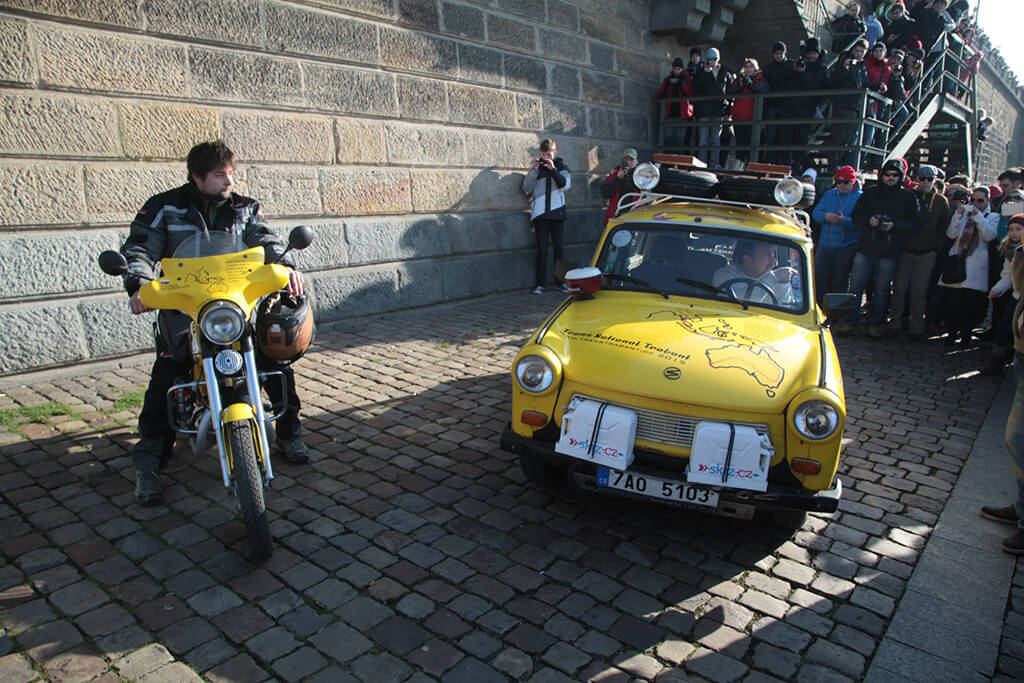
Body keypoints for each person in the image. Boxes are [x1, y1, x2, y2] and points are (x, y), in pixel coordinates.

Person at [121, 140, 309, 506]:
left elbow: (265, 240)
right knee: (167, 374)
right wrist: (139, 283)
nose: (229, 181)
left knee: (273, 361)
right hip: (184, 308)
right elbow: (140, 247)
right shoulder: (164, 207)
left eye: (231, 174)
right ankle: (149, 463)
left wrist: (285, 267)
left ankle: (290, 433)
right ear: (197, 176)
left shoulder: (244, 208)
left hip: (232, 306)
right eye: (220, 175)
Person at [847, 158, 922, 336]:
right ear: (882, 175)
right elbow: (856, 216)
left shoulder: (908, 196)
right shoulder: (870, 193)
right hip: (866, 247)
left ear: (900, 177)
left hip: (889, 250)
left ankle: (876, 322)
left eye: (895, 175)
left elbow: (916, 223)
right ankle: (849, 320)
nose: (891, 178)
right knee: (855, 285)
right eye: (887, 174)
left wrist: (894, 224)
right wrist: (869, 220)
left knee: (882, 289)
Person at [889, 165, 949, 339]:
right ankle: (894, 323)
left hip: (926, 253)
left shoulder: (940, 201)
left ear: (935, 180)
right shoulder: (908, 196)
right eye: (922, 178)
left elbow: (943, 227)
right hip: (905, 251)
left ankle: (916, 327)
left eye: (930, 179)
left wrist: (935, 249)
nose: (926, 182)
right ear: (917, 179)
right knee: (899, 290)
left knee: (919, 292)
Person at [938, 185, 998, 346]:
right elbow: (951, 234)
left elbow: (989, 235)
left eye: (980, 201)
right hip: (958, 262)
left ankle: (965, 337)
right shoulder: (963, 213)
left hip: (976, 267)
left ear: (987, 200)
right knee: (953, 304)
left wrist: (978, 216)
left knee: (970, 306)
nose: (976, 203)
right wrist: (958, 217)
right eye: (973, 200)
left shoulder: (993, 216)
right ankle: (951, 334)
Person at [522, 138, 571, 294]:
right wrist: (533, 171)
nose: (546, 158)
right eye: (543, 155)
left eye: (549, 154)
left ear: (555, 153)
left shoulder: (562, 168)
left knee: (559, 248)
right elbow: (526, 188)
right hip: (541, 214)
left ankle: (561, 281)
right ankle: (540, 284)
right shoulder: (538, 169)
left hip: (557, 212)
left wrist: (553, 169)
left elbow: (565, 185)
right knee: (542, 249)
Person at [812, 166, 863, 304]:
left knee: (839, 281)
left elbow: (861, 223)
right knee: (818, 280)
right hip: (825, 245)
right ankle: (817, 308)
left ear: (853, 182)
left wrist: (843, 221)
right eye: (838, 182)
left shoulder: (860, 198)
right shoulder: (829, 194)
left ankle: (836, 311)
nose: (841, 185)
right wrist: (826, 216)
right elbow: (816, 214)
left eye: (845, 182)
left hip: (845, 246)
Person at [982, 214, 1024, 375]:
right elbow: (1008, 275)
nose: (1014, 232)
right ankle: (996, 366)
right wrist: (998, 289)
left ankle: (1015, 368)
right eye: (1012, 229)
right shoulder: (1010, 250)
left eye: (1019, 229)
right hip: (1016, 297)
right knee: (1003, 328)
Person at [781, 38, 827, 173]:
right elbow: (786, 81)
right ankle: (785, 164)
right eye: (809, 53)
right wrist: (793, 69)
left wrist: (803, 73)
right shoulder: (799, 65)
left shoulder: (821, 69)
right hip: (791, 109)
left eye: (814, 53)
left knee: (801, 139)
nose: (811, 56)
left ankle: (797, 165)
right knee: (786, 138)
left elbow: (816, 86)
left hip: (807, 110)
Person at [828, 41, 870, 169]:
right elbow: (834, 79)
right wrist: (845, 67)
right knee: (837, 136)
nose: (859, 54)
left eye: (862, 51)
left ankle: (839, 163)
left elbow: (864, 83)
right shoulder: (844, 61)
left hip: (855, 106)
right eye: (857, 51)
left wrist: (877, 86)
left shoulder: (862, 67)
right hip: (842, 104)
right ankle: (833, 163)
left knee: (848, 138)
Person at [713, 240, 796, 303]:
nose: (773, 261)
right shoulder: (725, 275)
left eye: (773, 255)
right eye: (768, 255)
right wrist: (773, 277)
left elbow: (785, 310)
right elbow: (736, 303)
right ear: (747, 260)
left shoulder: (778, 280)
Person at [692, 47, 732, 167]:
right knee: (703, 140)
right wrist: (705, 73)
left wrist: (728, 111)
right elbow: (695, 88)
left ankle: (714, 164)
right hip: (703, 111)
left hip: (718, 110)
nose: (712, 61)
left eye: (714, 58)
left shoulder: (725, 71)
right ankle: (701, 164)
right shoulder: (701, 72)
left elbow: (729, 92)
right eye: (709, 58)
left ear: (718, 59)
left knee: (715, 140)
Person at [726, 58, 769, 164]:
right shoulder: (740, 79)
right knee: (740, 145)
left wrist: (750, 84)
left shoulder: (759, 78)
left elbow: (764, 90)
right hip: (739, 117)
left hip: (753, 119)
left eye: (751, 67)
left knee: (752, 146)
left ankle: (750, 167)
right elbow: (729, 91)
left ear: (755, 68)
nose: (749, 69)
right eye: (747, 67)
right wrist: (741, 86)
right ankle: (740, 167)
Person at [762, 42, 794, 164]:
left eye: (780, 53)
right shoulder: (768, 69)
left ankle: (782, 163)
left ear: (784, 53)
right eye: (776, 53)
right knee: (771, 136)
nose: (779, 56)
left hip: (786, 106)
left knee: (784, 136)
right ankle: (771, 162)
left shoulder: (791, 66)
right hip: (772, 105)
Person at [656, 58, 693, 151]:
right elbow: (659, 95)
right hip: (670, 114)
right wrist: (667, 85)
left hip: (682, 115)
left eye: (678, 69)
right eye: (675, 69)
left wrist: (682, 84)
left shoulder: (686, 80)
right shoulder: (667, 80)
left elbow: (690, 94)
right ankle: (668, 158)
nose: (676, 71)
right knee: (668, 139)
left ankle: (678, 159)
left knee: (679, 139)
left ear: (682, 69)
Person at [600, 148, 639, 224]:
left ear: (636, 161)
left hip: (635, 216)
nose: (628, 162)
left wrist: (631, 175)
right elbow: (605, 193)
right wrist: (618, 178)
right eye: (626, 159)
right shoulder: (616, 173)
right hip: (616, 216)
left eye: (631, 159)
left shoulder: (641, 174)